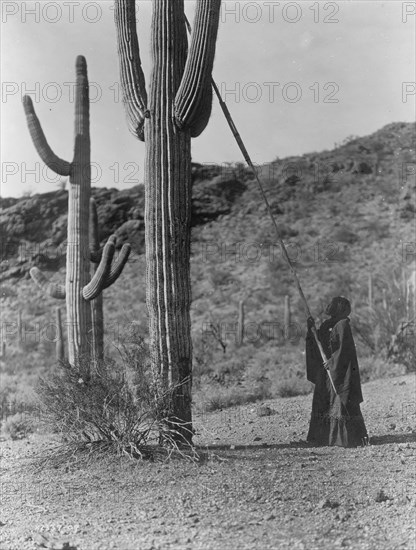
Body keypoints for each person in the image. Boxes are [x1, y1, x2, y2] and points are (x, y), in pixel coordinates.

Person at [305, 296, 368, 447]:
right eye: (346, 308)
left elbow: (344, 350)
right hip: (328, 371)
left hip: (338, 371)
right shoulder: (330, 324)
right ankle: (324, 438)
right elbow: (317, 342)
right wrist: (311, 330)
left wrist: (332, 362)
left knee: (340, 399)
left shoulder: (343, 324)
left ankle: (344, 438)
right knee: (326, 400)